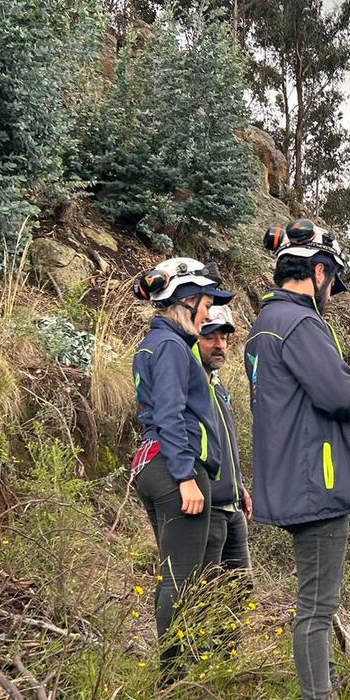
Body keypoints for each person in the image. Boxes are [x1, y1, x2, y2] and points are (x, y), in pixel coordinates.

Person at [244, 219, 350, 700]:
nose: (332, 293)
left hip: (292, 481)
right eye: (332, 282)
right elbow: (333, 391)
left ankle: (322, 693)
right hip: (317, 485)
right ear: (318, 271)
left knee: (315, 604)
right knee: (317, 609)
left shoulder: (264, 326)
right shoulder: (301, 323)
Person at [129, 256, 234, 675]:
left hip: (153, 466)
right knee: (181, 580)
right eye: (206, 303)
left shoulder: (154, 342)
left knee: (174, 574)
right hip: (175, 470)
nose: (209, 312)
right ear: (187, 301)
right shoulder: (173, 346)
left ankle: (181, 671)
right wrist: (187, 476)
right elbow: (171, 414)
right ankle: (174, 680)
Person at [196, 304, 252, 572]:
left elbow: (226, 444)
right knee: (201, 596)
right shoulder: (189, 386)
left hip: (233, 508)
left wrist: (239, 486)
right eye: (210, 337)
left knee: (241, 594)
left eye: (225, 337)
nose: (220, 345)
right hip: (207, 510)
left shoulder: (219, 388)